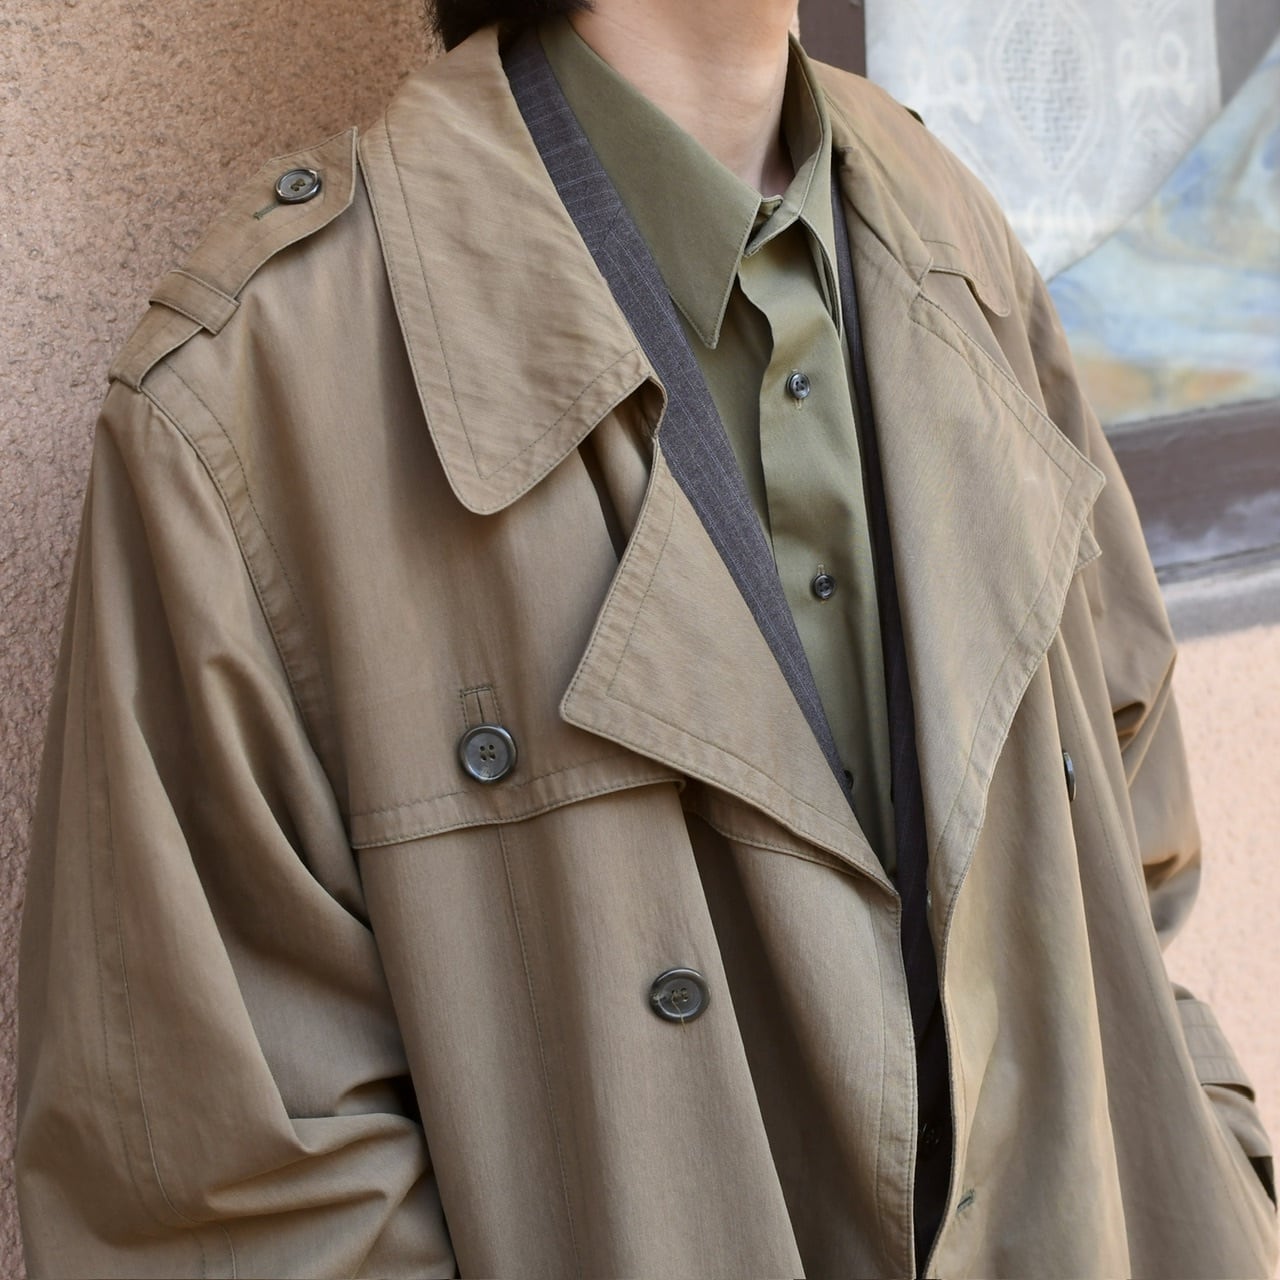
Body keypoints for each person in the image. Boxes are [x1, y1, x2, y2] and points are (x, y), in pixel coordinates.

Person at [15, 0, 1278, 1275]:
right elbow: (221, 1193)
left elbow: (1127, 854)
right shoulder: (259, 396)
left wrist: (1223, 1178)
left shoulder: (948, 230)